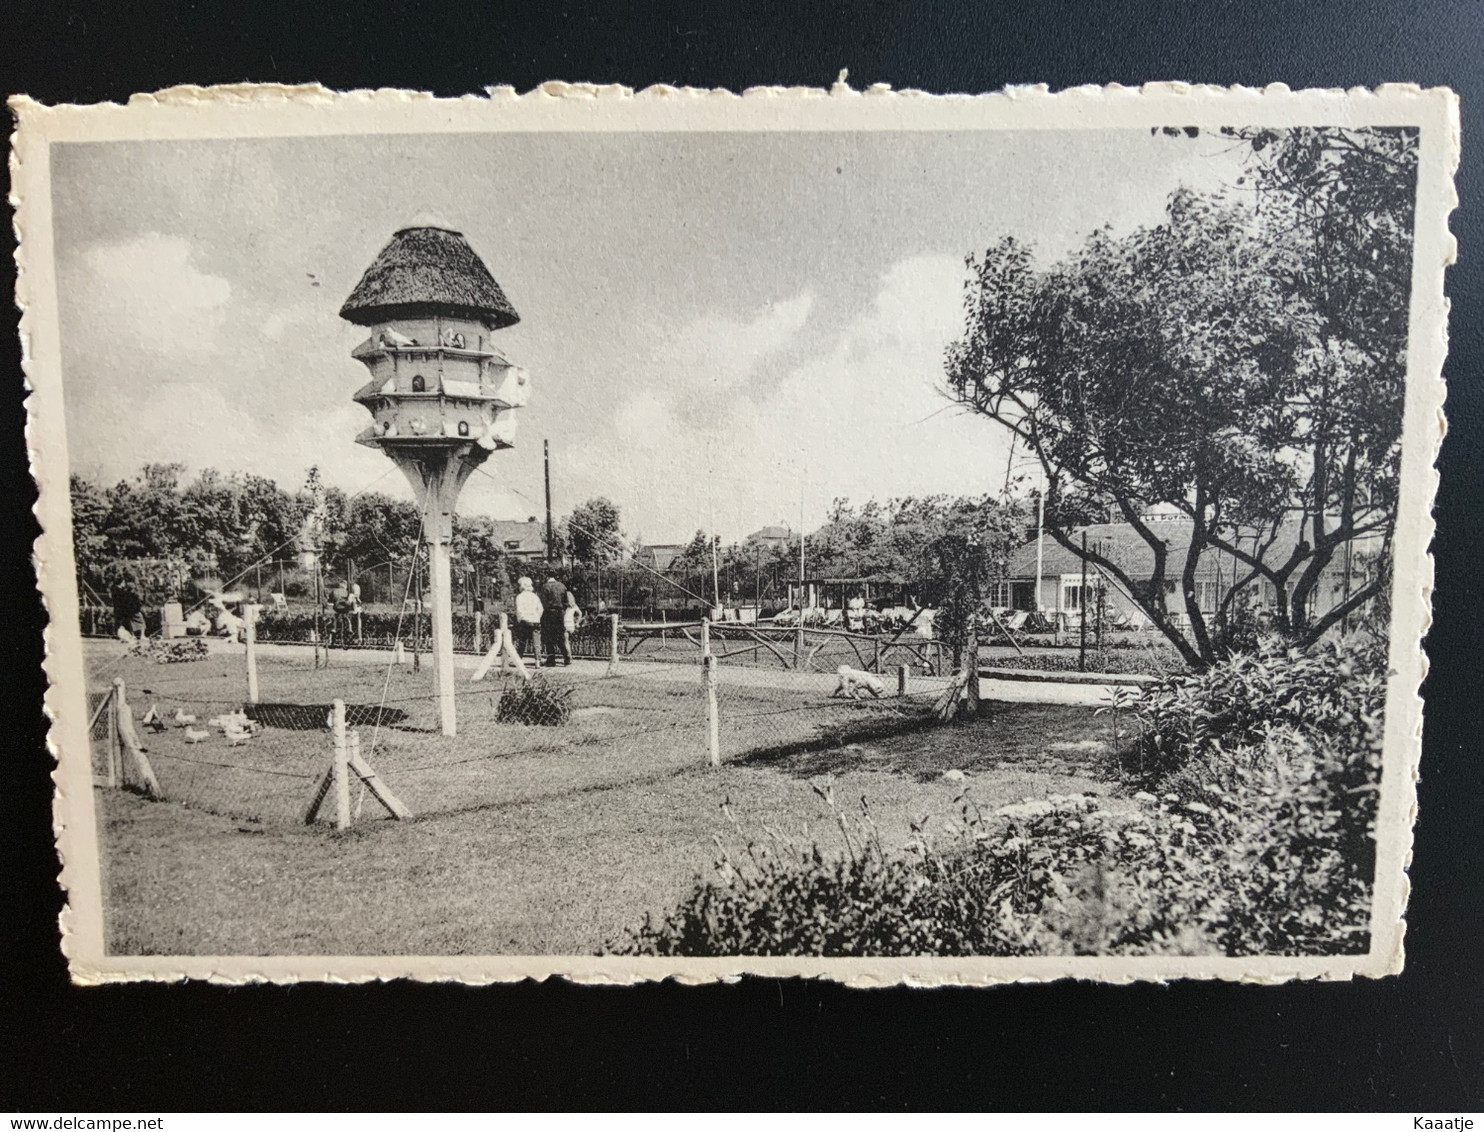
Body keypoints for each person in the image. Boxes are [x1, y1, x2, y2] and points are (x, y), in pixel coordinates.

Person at [539, 572, 571, 667]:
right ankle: (566, 657)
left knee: (548, 637)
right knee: (560, 636)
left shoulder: (545, 587)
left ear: (547, 577)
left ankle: (551, 660)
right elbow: (566, 602)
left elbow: (543, 602)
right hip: (559, 614)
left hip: (548, 613)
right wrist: (562, 611)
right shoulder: (562, 586)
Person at [513, 576, 543, 662]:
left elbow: (519, 610)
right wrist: (537, 617)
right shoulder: (535, 596)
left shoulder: (520, 597)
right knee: (536, 642)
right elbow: (540, 609)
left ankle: (518, 659)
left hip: (525, 620)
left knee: (522, 641)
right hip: (535, 620)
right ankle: (538, 660)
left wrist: (519, 620)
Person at [563, 590, 583, 661]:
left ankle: (569, 656)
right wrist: (577, 622)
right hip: (571, 624)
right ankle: (569, 655)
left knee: (566, 641)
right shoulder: (574, 605)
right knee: (568, 641)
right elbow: (580, 613)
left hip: (564, 624)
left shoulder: (563, 605)